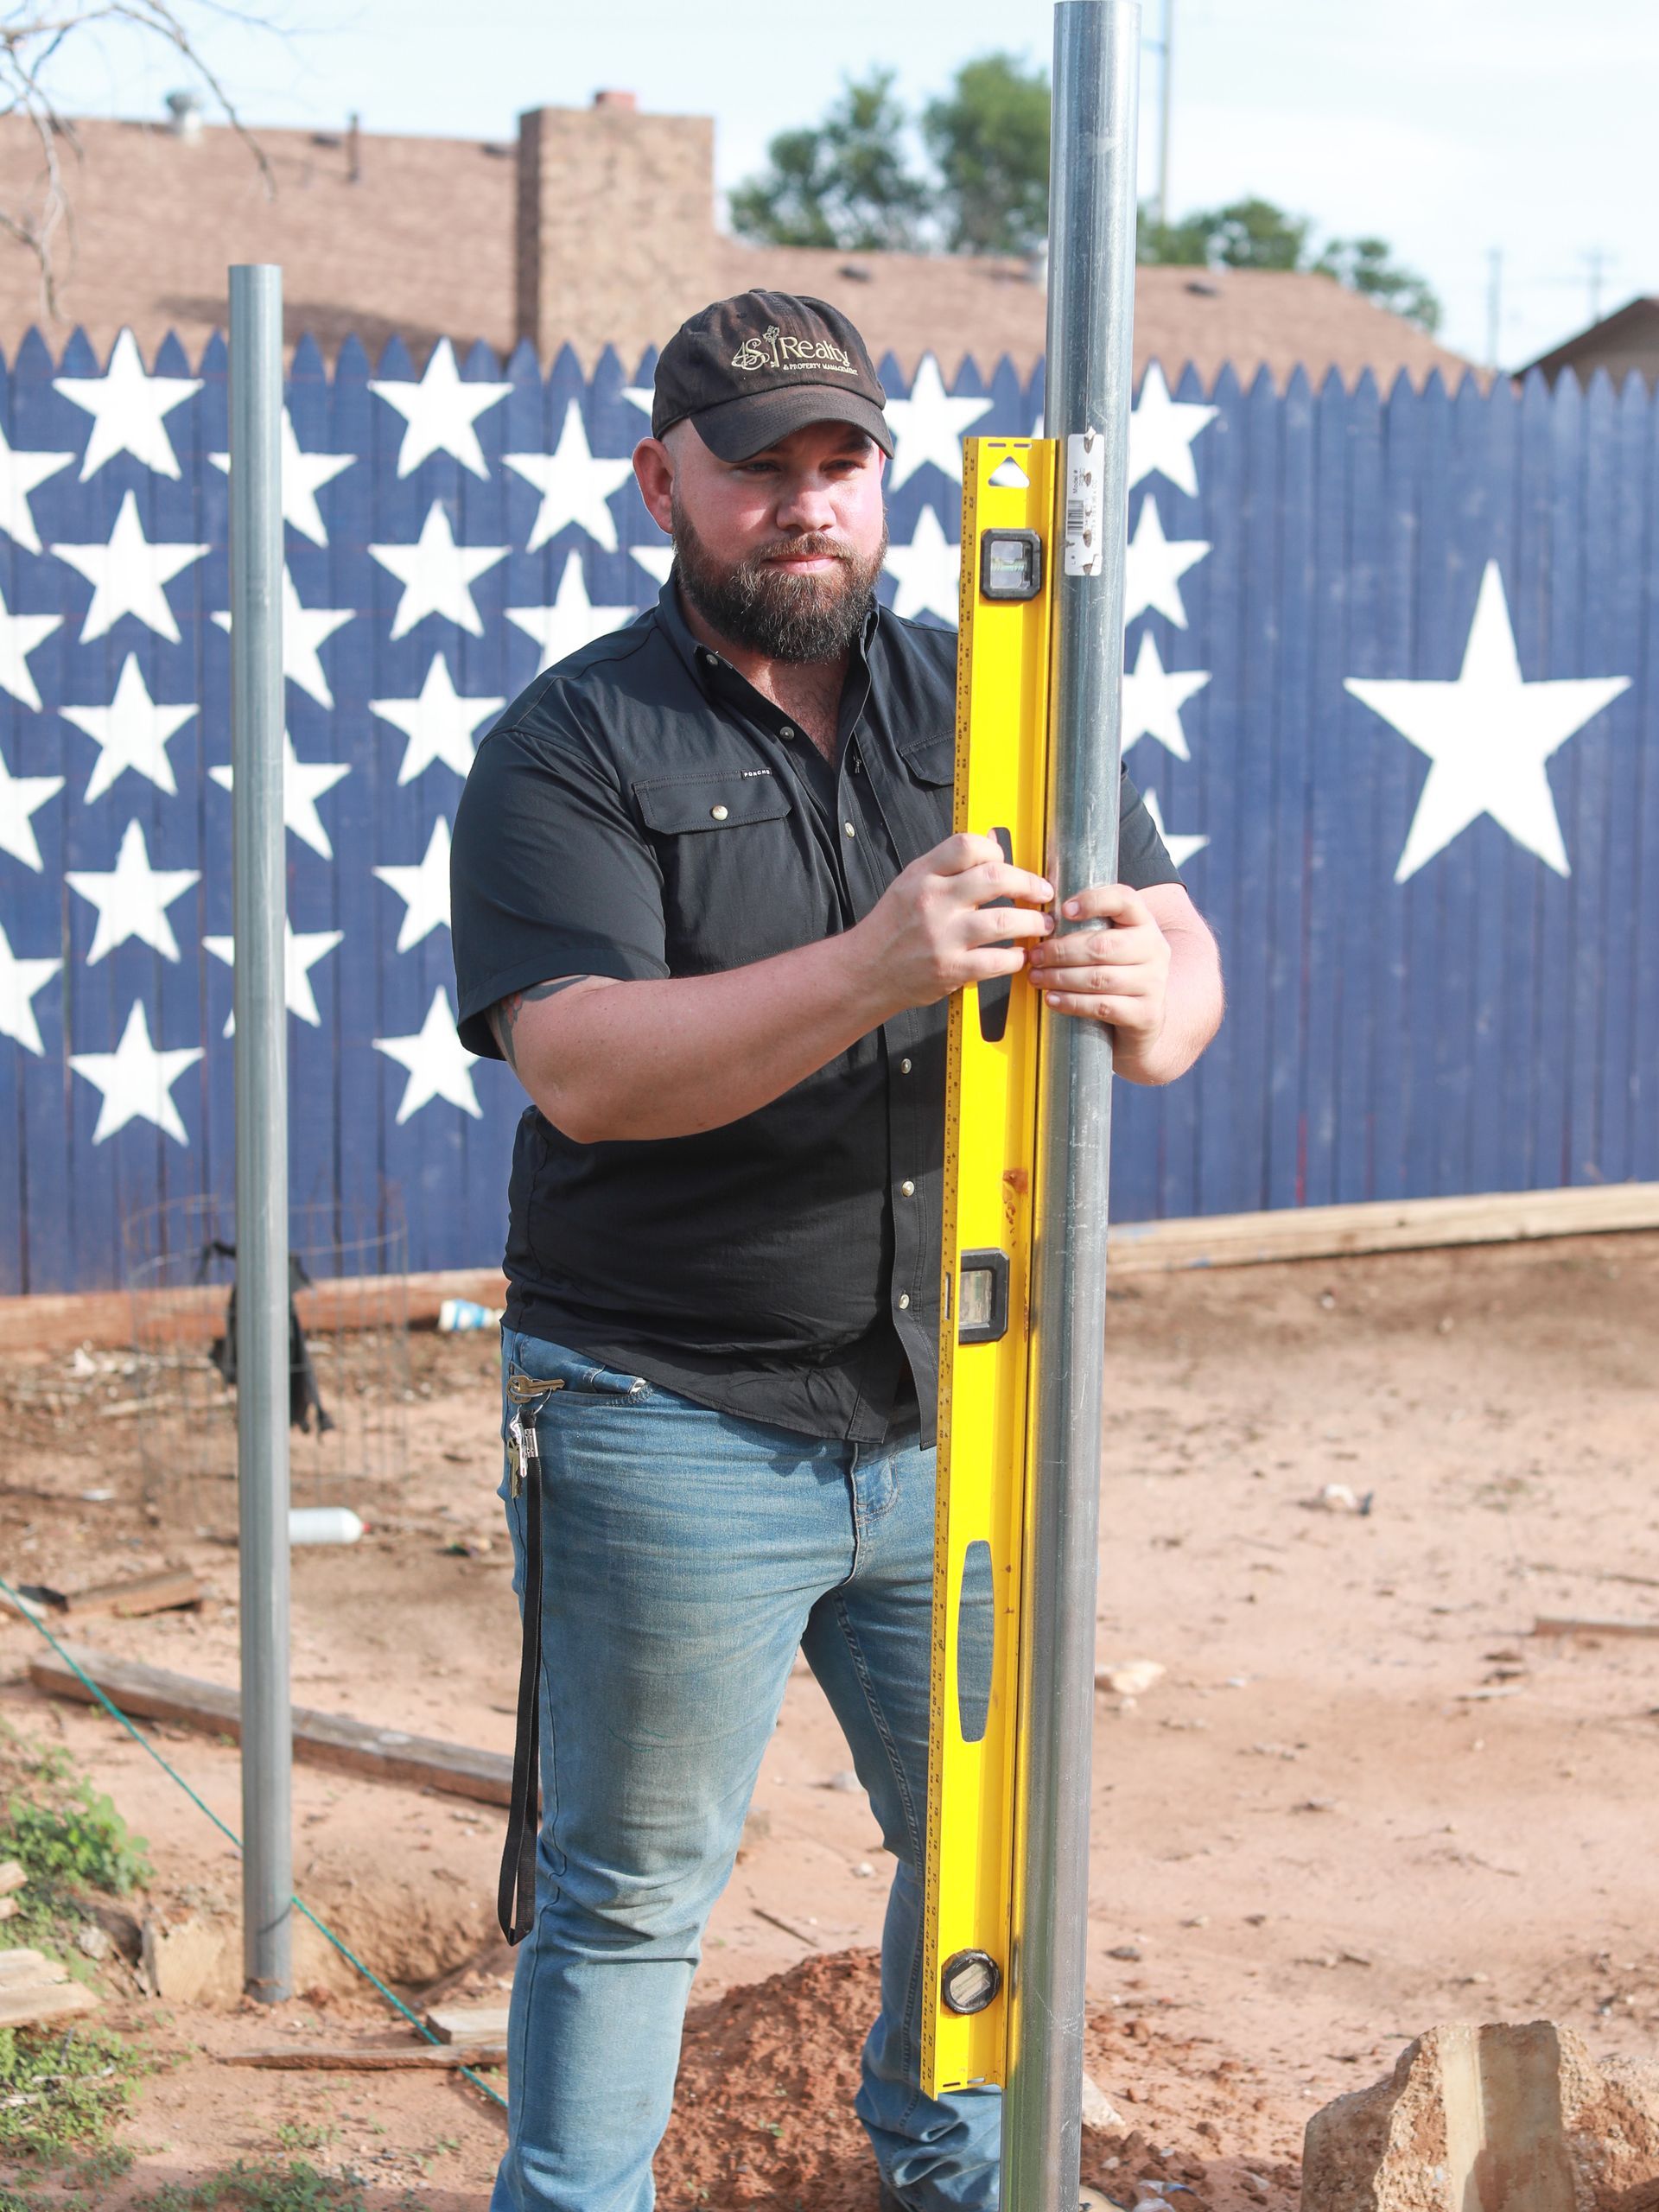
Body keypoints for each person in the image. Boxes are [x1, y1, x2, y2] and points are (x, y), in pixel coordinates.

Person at [449, 289, 1224, 2212]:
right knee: (631, 1888)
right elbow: (582, 1069)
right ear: (662, 483)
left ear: (887, 479)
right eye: (758, 469)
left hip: (951, 1406)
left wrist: (1154, 979)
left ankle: (953, 2172)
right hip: (666, 1408)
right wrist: (877, 961)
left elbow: (1183, 963)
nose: (806, 505)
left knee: (989, 1839)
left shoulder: (998, 694)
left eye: (840, 464)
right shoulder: (569, 742)